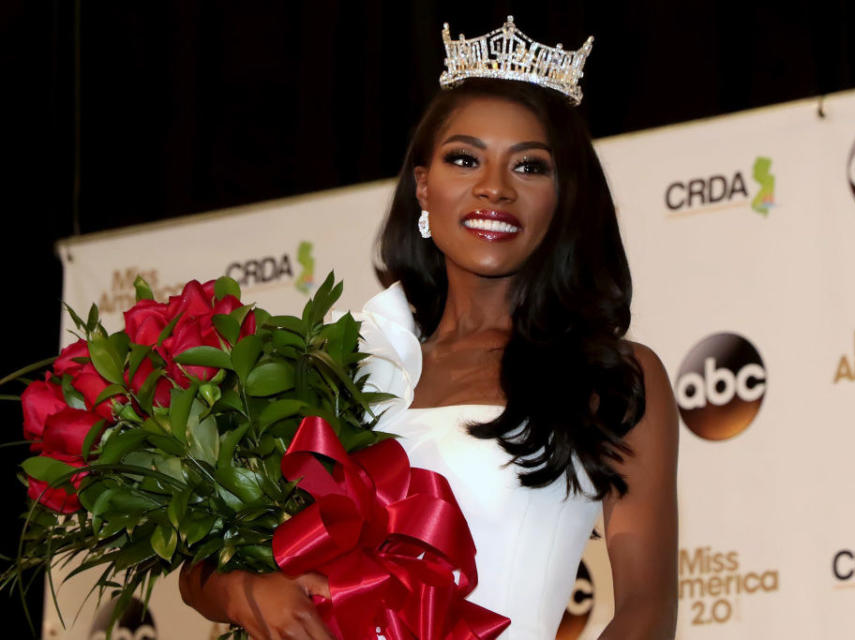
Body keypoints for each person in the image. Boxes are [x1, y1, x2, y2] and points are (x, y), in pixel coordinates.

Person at [180, 20, 678, 640]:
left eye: (529, 166)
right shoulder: (349, 359)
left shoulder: (611, 377)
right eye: (464, 159)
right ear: (423, 186)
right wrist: (249, 591)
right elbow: (206, 560)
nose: (493, 188)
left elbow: (646, 611)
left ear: (567, 197)